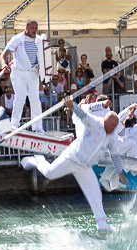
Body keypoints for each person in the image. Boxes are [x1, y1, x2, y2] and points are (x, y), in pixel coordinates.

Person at [20, 96, 125, 232]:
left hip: (85, 167)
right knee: (50, 174)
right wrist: (72, 106)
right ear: (106, 122)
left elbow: (115, 154)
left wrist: (120, 171)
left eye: (115, 126)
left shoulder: (112, 136)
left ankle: (101, 223)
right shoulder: (95, 123)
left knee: (95, 193)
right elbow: (83, 115)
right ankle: (36, 160)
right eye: (112, 125)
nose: (114, 128)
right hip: (72, 157)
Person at [2, 19, 46, 133]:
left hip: (33, 73)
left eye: (36, 28)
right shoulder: (17, 39)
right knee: (20, 98)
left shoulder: (39, 40)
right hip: (19, 73)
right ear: (27, 28)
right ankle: (14, 124)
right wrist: (3, 64)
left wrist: (43, 67)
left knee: (35, 100)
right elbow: (4, 54)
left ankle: (37, 127)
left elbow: (44, 57)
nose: (34, 31)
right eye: (32, 28)